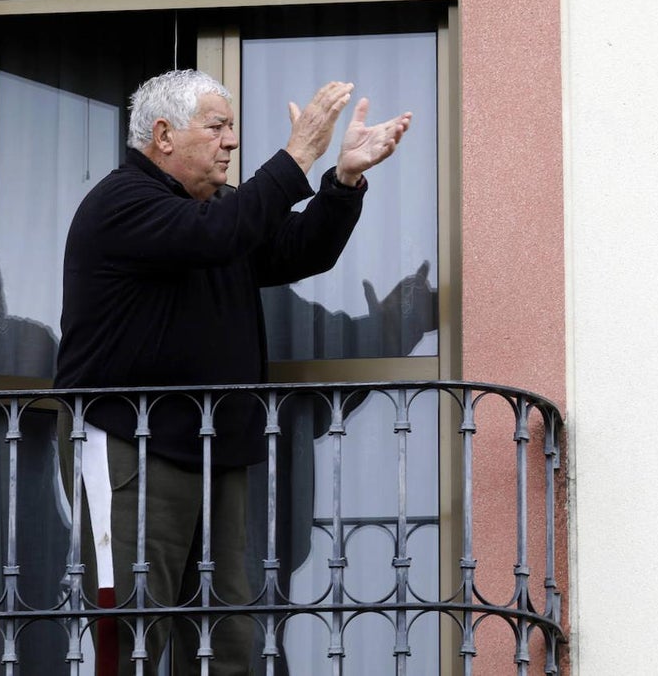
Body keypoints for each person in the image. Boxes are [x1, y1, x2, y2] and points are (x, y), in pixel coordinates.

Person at [54, 68, 411, 675]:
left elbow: (301, 249)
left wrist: (344, 181)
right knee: (133, 638)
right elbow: (219, 235)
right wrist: (298, 154)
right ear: (164, 136)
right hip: (129, 452)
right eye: (218, 127)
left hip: (214, 455)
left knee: (229, 644)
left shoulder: (217, 211)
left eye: (232, 128)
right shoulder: (121, 202)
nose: (231, 142)